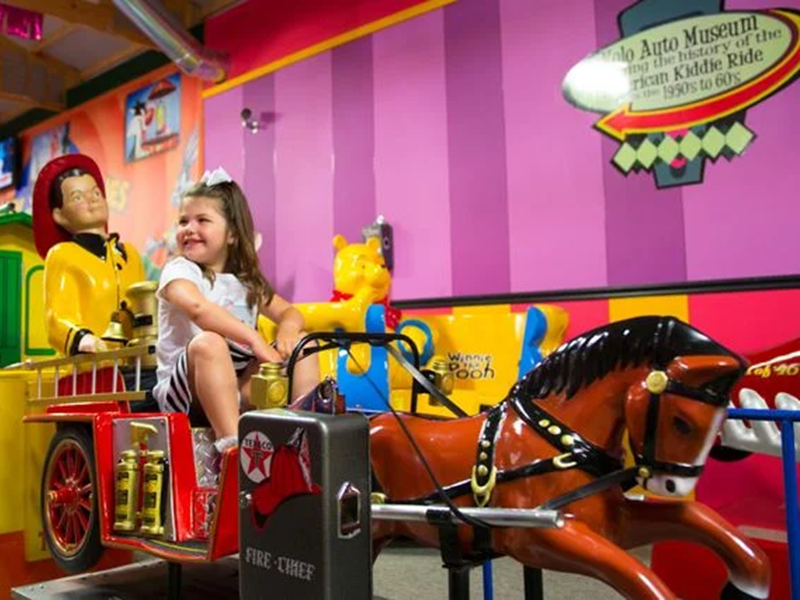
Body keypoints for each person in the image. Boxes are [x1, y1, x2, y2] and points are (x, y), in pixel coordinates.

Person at [152, 167, 317, 452]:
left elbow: (289, 312)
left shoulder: (246, 282)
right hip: (188, 391)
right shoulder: (179, 270)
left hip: (239, 386)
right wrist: (254, 340)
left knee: (306, 345)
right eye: (183, 221)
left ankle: (307, 434)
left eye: (202, 220)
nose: (189, 228)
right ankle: (232, 447)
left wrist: (289, 330)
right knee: (210, 342)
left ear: (231, 235)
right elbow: (197, 308)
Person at [33, 154, 145, 355]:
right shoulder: (63, 254)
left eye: (96, 193)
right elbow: (57, 317)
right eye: (77, 197)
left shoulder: (129, 254)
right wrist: (82, 338)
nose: (92, 201)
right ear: (59, 214)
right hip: (87, 370)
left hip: (131, 362)